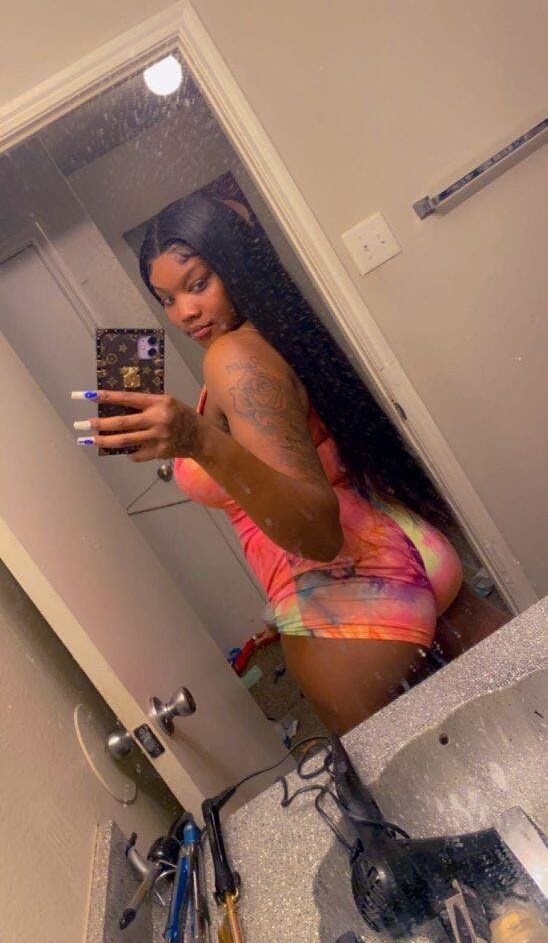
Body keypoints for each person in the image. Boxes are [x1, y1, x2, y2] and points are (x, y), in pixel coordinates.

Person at [74, 192, 509, 733]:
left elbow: (318, 534)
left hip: (350, 599)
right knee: (526, 697)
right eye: (167, 298)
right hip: (405, 547)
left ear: (234, 266)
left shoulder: (231, 359)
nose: (185, 312)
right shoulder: (272, 336)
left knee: (419, 779)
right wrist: (189, 438)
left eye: (198, 284)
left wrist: (197, 441)